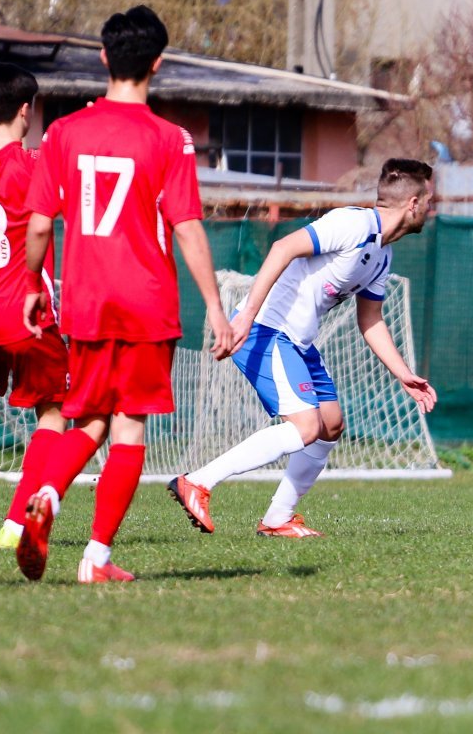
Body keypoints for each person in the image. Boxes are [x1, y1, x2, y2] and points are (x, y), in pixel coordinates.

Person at [18, 5, 236, 583]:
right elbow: (187, 226)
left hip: (86, 301)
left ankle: (45, 498)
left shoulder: (64, 133)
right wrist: (216, 307)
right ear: (158, 63)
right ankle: (96, 558)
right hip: (147, 302)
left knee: (86, 418)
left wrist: (32, 286)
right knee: (129, 427)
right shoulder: (170, 140)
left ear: (103, 57)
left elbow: (39, 224)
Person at [167, 158, 438, 537]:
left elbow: (370, 318)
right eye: (430, 199)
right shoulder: (353, 224)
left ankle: (278, 518)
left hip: (298, 341)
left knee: (330, 425)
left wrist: (403, 374)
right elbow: (282, 247)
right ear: (412, 204)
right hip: (266, 329)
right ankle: (198, 482)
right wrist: (245, 318)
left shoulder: (382, 255)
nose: (432, 207)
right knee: (306, 426)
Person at [0, 63, 69, 550]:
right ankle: (15, 524)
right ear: (25, 110)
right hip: (25, 313)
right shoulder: (34, 167)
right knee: (54, 410)